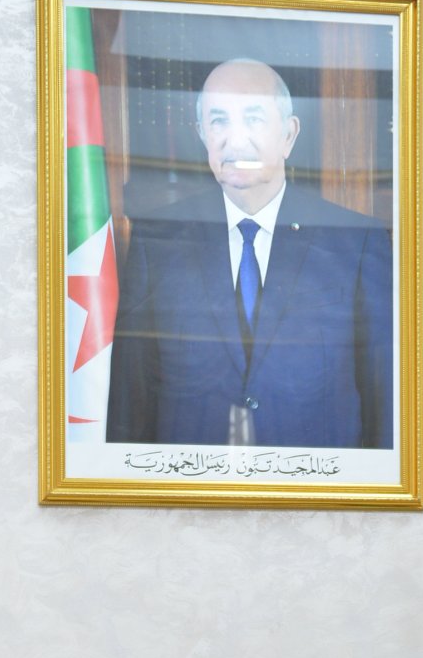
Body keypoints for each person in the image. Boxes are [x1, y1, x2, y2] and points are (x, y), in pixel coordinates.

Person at [105, 57, 393, 450]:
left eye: (254, 119)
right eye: (219, 121)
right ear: (202, 134)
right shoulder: (157, 241)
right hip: (191, 481)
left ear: (288, 135)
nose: (235, 140)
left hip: (316, 482)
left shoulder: (355, 243)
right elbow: (130, 400)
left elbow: (385, 404)